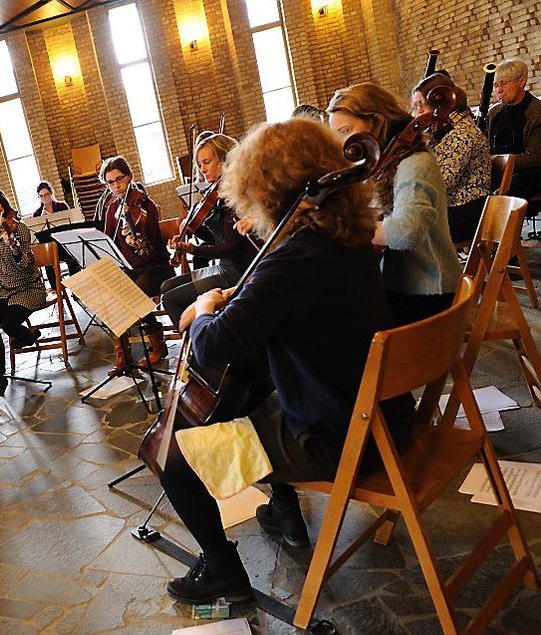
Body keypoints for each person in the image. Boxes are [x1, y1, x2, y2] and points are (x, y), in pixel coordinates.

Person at [163, 117, 415, 605]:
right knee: (256, 383)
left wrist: (201, 314)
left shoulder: (294, 258)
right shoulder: (345, 236)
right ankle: (284, 512)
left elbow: (214, 346)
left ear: (264, 188)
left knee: (173, 456)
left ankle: (222, 571)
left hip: (341, 440)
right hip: (386, 418)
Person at [328, 82, 460, 325]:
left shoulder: (415, 164)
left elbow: (405, 233)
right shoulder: (383, 166)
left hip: (428, 291)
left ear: (377, 123)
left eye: (345, 131)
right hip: (404, 286)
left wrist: (347, 227)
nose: (341, 145)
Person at [160, 133, 257, 329]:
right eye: (200, 164)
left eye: (207, 162)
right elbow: (214, 236)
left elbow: (229, 247)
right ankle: (199, 334)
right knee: (166, 287)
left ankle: (205, 345)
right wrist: (190, 229)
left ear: (226, 160)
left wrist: (193, 249)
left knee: (171, 299)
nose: (202, 170)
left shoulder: (235, 194)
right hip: (225, 265)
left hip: (238, 270)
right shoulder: (218, 192)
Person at [100, 156, 175, 371]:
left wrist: (137, 242)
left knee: (133, 295)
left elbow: (149, 247)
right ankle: (124, 356)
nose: (116, 186)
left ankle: (158, 346)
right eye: (110, 182)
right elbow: (107, 240)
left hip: (155, 266)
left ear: (130, 176)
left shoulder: (146, 205)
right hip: (130, 269)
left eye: (119, 179)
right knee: (108, 295)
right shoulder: (112, 208)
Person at [0, 187, 47, 399]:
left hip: (29, 287)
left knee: (8, 324)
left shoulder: (20, 229)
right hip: (7, 290)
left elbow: (27, 264)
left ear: (3, 205)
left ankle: (27, 336)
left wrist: (15, 250)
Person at [412, 73, 490, 243]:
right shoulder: (440, 131)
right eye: (416, 106)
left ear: (441, 104)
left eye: (421, 105)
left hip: (467, 214)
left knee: (407, 231)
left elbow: (442, 183)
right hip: (449, 209)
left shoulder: (463, 134)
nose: (418, 112)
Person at [487, 59, 541, 211]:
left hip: (529, 173)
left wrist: (499, 163)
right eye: (496, 85)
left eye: (504, 83)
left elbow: (534, 158)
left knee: (512, 185)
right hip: (499, 170)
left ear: (522, 81)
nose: (499, 90)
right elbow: (486, 146)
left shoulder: (537, 113)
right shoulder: (493, 113)